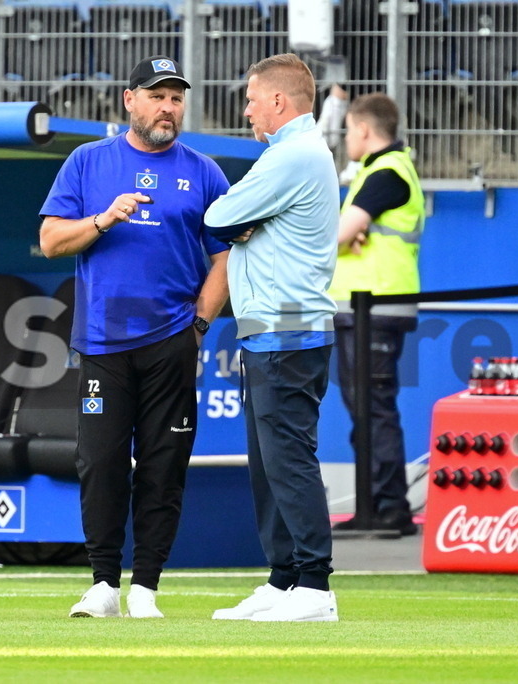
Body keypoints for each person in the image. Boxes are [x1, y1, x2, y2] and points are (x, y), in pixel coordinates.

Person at [38, 55, 231, 619]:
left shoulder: (203, 171)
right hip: (102, 342)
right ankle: (103, 584)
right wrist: (103, 219)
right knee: (99, 463)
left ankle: (145, 586)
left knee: (163, 464)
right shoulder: (87, 162)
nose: (168, 107)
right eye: (157, 96)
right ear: (130, 100)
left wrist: (197, 325)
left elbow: (225, 257)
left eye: (176, 97)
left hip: (171, 340)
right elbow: (50, 240)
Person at [204, 54, 340, 622]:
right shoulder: (289, 155)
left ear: (280, 103)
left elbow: (216, 218)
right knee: (268, 465)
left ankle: (315, 585)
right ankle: (284, 580)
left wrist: (236, 220)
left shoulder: (293, 155)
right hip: (269, 334)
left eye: (253, 98)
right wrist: (240, 221)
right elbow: (232, 220)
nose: (246, 109)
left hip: (289, 333)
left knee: (289, 460)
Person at [329, 92, 425, 536]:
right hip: (364, 307)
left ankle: (391, 508)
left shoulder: (387, 173)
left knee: (375, 409)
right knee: (364, 409)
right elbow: (348, 235)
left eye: (349, 129)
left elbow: (335, 236)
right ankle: (373, 505)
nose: (348, 137)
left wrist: (345, 236)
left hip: (378, 307)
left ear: (364, 130)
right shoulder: (377, 171)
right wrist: (348, 236)